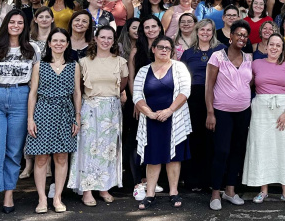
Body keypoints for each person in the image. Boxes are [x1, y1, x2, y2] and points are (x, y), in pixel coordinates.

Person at [0, 10, 40, 218]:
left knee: (13, 152)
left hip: (20, 99)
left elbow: (34, 86)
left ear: (25, 25)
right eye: (12, 22)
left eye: (20, 22)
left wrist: (31, 114)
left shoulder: (32, 49)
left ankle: (8, 194)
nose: (15, 25)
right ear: (6, 24)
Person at [68, 25, 129, 206]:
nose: (106, 41)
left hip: (111, 109)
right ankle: (87, 190)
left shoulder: (120, 62)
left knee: (108, 150)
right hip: (90, 108)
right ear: (95, 38)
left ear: (114, 40)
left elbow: (123, 85)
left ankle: (104, 187)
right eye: (102, 37)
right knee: (88, 149)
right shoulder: (84, 62)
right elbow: (78, 88)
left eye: (109, 38)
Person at [132, 36, 192, 210]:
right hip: (150, 119)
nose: (164, 50)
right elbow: (137, 95)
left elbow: (185, 91)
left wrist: (169, 111)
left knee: (174, 158)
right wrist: (149, 113)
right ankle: (150, 194)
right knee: (152, 158)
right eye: (160, 47)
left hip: (174, 119)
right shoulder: (143, 71)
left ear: (172, 50)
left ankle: (174, 192)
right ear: (153, 49)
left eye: (167, 47)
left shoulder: (179, 67)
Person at [26, 28, 82, 214]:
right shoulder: (39, 65)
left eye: (62, 41)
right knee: (41, 158)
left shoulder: (74, 65)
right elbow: (33, 93)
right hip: (43, 112)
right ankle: (42, 198)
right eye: (55, 41)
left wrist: (77, 117)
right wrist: (30, 119)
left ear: (67, 44)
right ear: (49, 44)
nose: (58, 44)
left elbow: (77, 93)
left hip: (65, 113)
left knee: (61, 156)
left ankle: (57, 197)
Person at [243, 33, 285, 205]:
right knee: (262, 147)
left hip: (284, 108)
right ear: (266, 46)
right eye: (272, 44)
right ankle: (263, 190)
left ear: (282, 48)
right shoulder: (256, 63)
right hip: (261, 109)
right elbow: (247, 84)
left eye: (278, 45)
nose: (274, 48)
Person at [205, 20, 253, 210]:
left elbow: (250, 83)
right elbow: (209, 86)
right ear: (230, 36)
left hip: (243, 112)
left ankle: (230, 191)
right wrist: (210, 112)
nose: (242, 38)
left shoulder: (249, 58)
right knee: (222, 151)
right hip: (221, 112)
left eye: (245, 36)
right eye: (238, 34)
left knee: (237, 150)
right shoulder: (217, 56)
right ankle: (215, 193)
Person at [179, 20, 224, 192]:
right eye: (202, 30)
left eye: (209, 30)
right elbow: (182, 77)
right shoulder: (188, 53)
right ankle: (194, 180)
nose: (205, 32)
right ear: (196, 32)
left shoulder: (220, 51)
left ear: (213, 32)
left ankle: (211, 179)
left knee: (212, 138)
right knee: (195, 138)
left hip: (215, 96)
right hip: (193, 98)